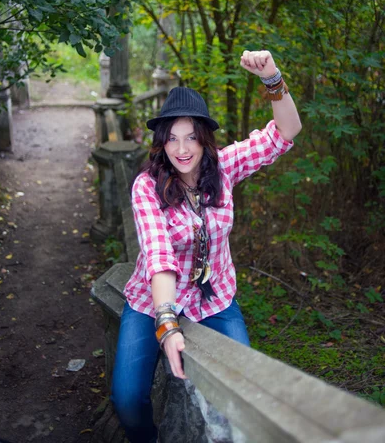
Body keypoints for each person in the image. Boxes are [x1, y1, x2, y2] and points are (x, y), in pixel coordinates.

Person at [111, 50, 302, 443]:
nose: (182, 149)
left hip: (214, 300)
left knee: (244, 390)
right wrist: (166, 322)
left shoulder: (224, 167)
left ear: (205, 139)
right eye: (173, 139)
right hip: (153, 302)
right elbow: (158, 255)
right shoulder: (147, 187)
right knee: (127, 399)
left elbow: (286, 132)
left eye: (192, 138)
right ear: (162, 142)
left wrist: (272, 78)